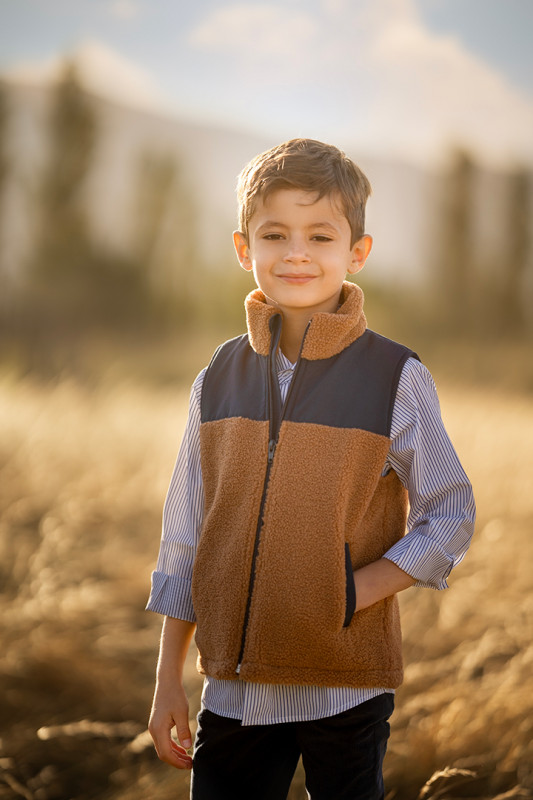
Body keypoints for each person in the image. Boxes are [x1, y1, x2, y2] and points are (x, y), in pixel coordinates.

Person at [146, 138, 475, 800]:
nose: (296, 253)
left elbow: (450, 511)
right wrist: (166, 682)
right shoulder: (216, 377)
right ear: (244, 250)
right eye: (274, 234)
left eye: (319, 235)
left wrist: (359, 589)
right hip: (232, 688)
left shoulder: (394, 377)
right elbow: (185, 535)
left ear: (356, 252)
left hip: (344, 687)